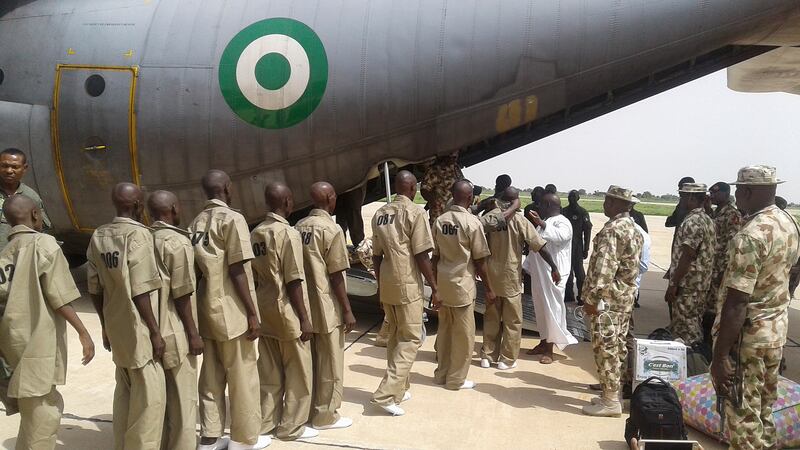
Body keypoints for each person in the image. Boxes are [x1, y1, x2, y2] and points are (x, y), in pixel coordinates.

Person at [711, 166, 800, 449]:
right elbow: (792, 274)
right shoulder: (788, 223)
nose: (736, 194)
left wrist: (721, 355)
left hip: (747, 340)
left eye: (738, 189)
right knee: (763, 412)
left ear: (747, 191)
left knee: (742, 420)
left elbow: (737, 301)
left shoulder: (751, 234)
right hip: (773, 335)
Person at [0, 195, 94, 450]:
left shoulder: (6, 253)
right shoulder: (44, 244)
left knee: (31, 408)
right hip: (38, 341)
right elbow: (59, 296)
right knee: (45, 410)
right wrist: (83, 332)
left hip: (13, 340)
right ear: (34, 215)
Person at [190, 171, 268, 450]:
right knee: (242, 375)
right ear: (225, 188)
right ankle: (243, 439)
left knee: (211, 376)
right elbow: (237, 269)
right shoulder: (233, 220)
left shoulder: (196, 222)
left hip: (205, 308)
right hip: (231, 309)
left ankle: (210, 437)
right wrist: (251, 312)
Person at [87, 183, 166, 449]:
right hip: (139, 328)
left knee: (124, 391)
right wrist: (155, 331)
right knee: (149, 400)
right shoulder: (139, 236)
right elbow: (141, 290)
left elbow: (94, 287)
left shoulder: (99, 235)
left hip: (116, 325)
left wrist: (105, 326)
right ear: (138, 205)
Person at [252, 182, 318, 440]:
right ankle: (291, 428)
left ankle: (265, 424)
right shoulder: (287, 234)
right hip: (286, 309)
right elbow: (293, 280)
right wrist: (304, 319)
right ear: (288, 201)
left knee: (268, 372)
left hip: (264, 307)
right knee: (299, 372)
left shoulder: (256, 232)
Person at [370, 170, 438, 416]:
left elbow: (376, 255)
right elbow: (421, 254)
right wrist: (435, 286)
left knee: (397, 336)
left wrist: (380, 284)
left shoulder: (380, 214)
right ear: (413, 189)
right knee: (410, 339)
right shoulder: (415, 212)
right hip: (407, 282)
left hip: (387, 281)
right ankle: (387, 394)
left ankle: (400, 387)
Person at [295, 182, 357, 431]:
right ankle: (325, 416)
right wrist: (348, 309)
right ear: (331, 198)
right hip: (326, 304)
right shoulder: (331, 229)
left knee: (310, 361)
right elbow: (336, 274)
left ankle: (308, 410)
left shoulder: (298, 227)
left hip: (304, 304)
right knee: (330, 363)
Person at [480, 187, 560, 370]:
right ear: (517, 201)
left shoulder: (491, 218)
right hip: (510, 278)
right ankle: (507, 359)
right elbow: (540, 246)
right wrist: (554, 267)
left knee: (491, 317)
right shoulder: (521, 221)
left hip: (491, 276)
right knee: (512, 321)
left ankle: (487, 355)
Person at [147, 190, 203, 450]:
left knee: (159, 398)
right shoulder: (177, 243)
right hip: (173, 326)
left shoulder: (143, 239)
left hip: (149, 327)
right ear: (173, 209)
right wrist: (193, 333)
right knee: (183, 398)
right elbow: (182, 294)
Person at [582, 186, 643, 417]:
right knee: (617, 346)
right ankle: (612, 394)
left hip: (607, 300)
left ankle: (610, 402)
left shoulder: (613, 230)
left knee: (605, 347)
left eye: (610, 200)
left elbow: (603, 270)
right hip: (623, 298)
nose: (605, 204)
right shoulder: (633, 228)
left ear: (621, 204)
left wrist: (592, 298)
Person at [431, 180, 494, 390]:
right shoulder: (472, 223)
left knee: (445, 332)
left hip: (443, 283)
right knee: (464, 336)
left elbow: (434, 257)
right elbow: (480, 261)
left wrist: (434, 288)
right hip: (462, 286)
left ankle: (441, 374)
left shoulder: (440, 221)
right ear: (470, 198)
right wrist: (490, 289)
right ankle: (456, 379)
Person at [524, 192, 577, 364]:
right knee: (541, 309)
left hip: (555, 276)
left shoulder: (562, 221)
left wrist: (541, 223)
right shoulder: (544, 224)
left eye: (540, 204)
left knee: (552, 311)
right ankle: (542, 342)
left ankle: (549, 349)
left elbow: (561, 236)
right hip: (540, 275)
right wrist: (526, 267)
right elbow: (536, 246)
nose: (537, 207)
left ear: (548, 205)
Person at [665, 183, 716, 345]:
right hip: (700, 284)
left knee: (686, 329)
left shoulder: (693, 222)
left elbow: (687, 256)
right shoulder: (707, 219)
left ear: (692, 198)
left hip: (687, 285)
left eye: (683, 197)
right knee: (693, 322)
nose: (681, 201)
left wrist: (674, 284)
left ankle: (693, 363)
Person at [0, 149, 51, 251]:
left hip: (17, 259)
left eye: (15, 167)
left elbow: (41, 230)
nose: (9, 171)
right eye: (4, 166)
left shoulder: (30, 197)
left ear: (24, 168)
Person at [707, 182, 742, 317]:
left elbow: (733, 243)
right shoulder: (714, 213)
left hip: (721, 266)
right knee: (707, 303)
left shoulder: (732, 214)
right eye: (711, 193)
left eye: (716, 193)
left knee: (716, 305)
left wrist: (725, 268)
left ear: (726, 194)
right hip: (711, 264)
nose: (712, 196)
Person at [561, 190, 592, 304]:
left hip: (578, 246)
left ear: (578, 198)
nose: (572, 198)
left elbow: (587, 231)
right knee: (567, 271)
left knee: (579, 272)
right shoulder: (563, 211)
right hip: (566, 246)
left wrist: (586, 248)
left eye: (574, 196)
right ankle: (569, 295)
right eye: (570, 196)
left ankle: (582, 295)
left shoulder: (582, 212)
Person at [420, 152, 464, 225]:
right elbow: (424, 190)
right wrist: (433, 202)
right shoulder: (434, 169)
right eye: (451, 157)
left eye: (455, 157)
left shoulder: (456, 168)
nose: (453, 159)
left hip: (454, 215)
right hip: (439, 215)